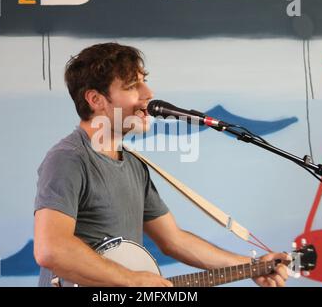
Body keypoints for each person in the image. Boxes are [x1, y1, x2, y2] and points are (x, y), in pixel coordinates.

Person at [33, 42, 289, 287]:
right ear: (96, 99)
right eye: (133, 86)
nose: (148, 95)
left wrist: (252, 265)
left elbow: (173, 240)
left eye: (144, 82)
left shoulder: (133, 164)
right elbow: (51, 249)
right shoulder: (69, 159)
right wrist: (132, 280)